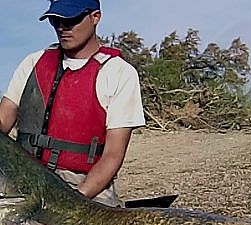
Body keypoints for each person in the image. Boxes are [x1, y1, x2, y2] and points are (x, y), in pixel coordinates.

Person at [0, 0, 145, 207]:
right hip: (26, 177)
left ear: (95, 17)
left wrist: (74, 201)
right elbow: (3, 119)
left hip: (86, 185)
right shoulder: (34, 62)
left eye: (71, 19)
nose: (62, 27)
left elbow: (112, 155)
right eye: (55, 20)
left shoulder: (119, 73)